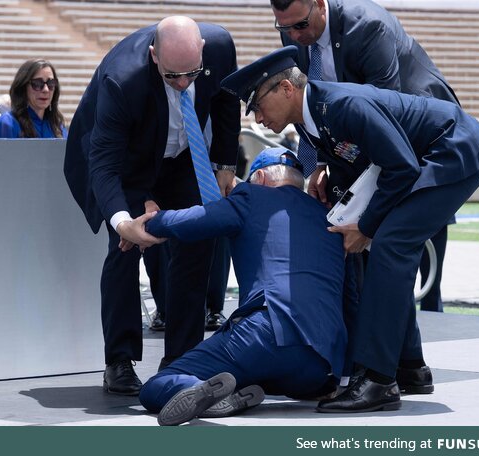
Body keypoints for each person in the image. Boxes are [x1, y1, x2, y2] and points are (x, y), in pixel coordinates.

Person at [220, 46, 479, 412]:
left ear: (286, 89)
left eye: (257, 106)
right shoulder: (312, 116)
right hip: (427, 155)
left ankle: (379, 382)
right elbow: (356, 160)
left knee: (391, 245)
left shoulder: (342, 105)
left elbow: (401, 168)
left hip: (452, 150)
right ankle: (410, 367)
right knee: (386, 249)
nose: (256, 118)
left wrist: (365, 226)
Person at [63, 16, 240, 396]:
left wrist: (225, 163)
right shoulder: (122, 81)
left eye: (191, 74)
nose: (182, 83)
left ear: (203, 54)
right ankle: (120, 360)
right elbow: (106, 164)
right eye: (172, 75)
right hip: (123, 159)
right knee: (125, 247)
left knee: (198, 235)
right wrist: (123, 220)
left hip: (181, 157)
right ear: (153, 55)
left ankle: (182, 359)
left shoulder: (221, 47)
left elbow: (226, 100)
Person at [118, 147, 346, 425]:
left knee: (156, 386)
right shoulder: (329, 217)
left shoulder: (251, 196)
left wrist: (144, 225)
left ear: (259, 176)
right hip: (320, 364)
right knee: (263, 372)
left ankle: (203, 391)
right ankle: (234, 391)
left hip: (265, 332)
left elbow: (195, 220)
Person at [271, 0, 460, 313]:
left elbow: (384, 108)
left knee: (417, 206)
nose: (293, 34)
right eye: (284, 27)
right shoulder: (295, 32)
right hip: (355, 125)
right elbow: (312, 101)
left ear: (319, 5)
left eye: (300, 25)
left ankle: (428, 303)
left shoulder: (367, 25)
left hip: (417, 121)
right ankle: (376, 312)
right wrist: (320, 162)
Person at [0, 59, 67, 138]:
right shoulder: (6, 124)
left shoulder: (58, 127)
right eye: (37, 83)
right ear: (23, 87)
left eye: (51, 83)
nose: (46, 90)